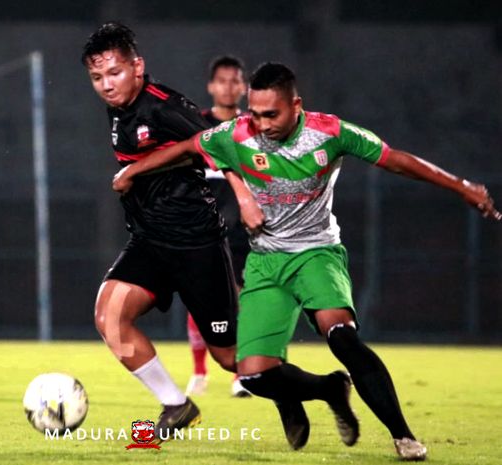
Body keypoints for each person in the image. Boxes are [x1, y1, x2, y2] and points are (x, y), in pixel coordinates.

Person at [113, 62, 501, 460]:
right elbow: (186, 149)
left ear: (296, 105)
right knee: (253, 375)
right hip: (266, 262)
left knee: (342, 337)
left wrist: (461, 186)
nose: (261, 124)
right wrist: (132, 171)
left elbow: (396, 159)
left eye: (272, 114)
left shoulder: (330, 132)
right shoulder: (236, 133)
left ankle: (403, 435)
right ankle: (329, 388)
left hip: (316, 254)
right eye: (256, 113)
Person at [81, 22, 239, 440]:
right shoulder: (120, 108)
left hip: (196, 243)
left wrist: (246, 197)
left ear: (138, 67)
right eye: (97, 77)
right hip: (151, 241)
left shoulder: (164, 106)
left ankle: (308, 389)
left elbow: (214, 145)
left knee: (232, 359)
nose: (106, 85)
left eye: (114, 73)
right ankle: (176, 404)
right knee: (109, 314)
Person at [185, 55, 250, 398]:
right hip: (203, 230)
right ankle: (199, 372)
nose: (228, 86)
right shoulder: (196, 125)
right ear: (211, 86)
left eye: (234, 80)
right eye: (222, 80)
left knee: (241, 300)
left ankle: (241, 375)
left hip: (243, 231)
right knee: (199, 299)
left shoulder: (252, 129)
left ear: (244, 86)